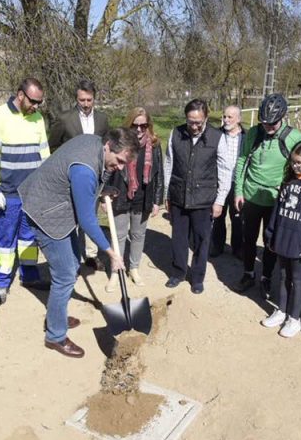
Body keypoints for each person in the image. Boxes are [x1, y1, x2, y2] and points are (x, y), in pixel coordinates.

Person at [19, 129, 137, 358]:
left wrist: (102, 190)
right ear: (108, 146)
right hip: (46, 214)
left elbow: (87, 183)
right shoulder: (84, 169)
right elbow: (87, 221)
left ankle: (57, 316)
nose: (121, 167)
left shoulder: (95, 143)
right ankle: (55, 335)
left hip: (54, 203)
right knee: (65, 275)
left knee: (72, 266)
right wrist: (111, 252)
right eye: (120, 161)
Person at [0, 77, 51, 304]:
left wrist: (47, 185)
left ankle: (30, 276)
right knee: (5, 240)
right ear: (20, 94)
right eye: (33, 101)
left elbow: (44, 153)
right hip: (9, 193)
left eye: (39, 102)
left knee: (29, 238)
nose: (36, 106)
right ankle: (1, 283)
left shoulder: (38, 118)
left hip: (32, 193)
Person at [232, 93, 301, 298]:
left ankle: (266, 277)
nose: (268, 127)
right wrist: (238, 190)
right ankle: (248, 273)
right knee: (249, 238)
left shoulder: (293, 137)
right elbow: (242, 161)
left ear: (283, 117)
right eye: (264, 123)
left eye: (272, 124)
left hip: (277, 199)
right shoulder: (254, 133)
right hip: (252, 196)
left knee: (271, 242)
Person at [163, 99, 230, 294]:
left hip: (204, 198)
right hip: (178, 195)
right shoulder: (176, 133)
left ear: (206, 118)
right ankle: (178, 272)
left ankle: (198, 278)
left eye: (198, 122)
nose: (194, 126)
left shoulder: (218, 137)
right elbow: (169, 163)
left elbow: (225, 171)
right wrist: (167, 193)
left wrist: (219, 201)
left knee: (202, 240)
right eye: (190, 121)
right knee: (178, 238)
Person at [261, 140, 301, 338]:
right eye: (292, 162)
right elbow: (277, 211)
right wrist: (270, 234)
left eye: (299, 162)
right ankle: (281, 311)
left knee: (298, 281)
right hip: (282, 238)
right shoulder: (287, 182)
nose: (295, 165)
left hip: (300, 243)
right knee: (282, 277)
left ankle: (294, 318)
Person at [48, 79, 111, 272]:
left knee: (90, 215)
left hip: (93, 175)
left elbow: (106, 146)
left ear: (94, 99)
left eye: (89, 100)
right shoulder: (65, 118)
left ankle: (91, 255)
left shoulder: (102, 119)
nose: (85, 104)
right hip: (70, 176)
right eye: (81, 100)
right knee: (71, 217)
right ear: (76, 98)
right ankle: (71, 258)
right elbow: (53, 144)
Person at [104, 107, 164, 289]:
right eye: (135, 125)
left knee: (138, 235)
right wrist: (104, 195)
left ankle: (134, 268)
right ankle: (116, 271)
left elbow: (159, 173)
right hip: (120, 195)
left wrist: (157, 200)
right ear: (129, 124)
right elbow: (107, 170)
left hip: (143, 197)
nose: (139, 129)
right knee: (119, 236)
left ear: (148, 126)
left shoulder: (153, 145)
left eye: (143, 125)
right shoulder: (119, 142)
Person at [210, 105, 245, 258]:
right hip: (219, 183)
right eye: (224, 116)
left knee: (237, 217)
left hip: (239, 184)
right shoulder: (216, 134)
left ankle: (237, 248)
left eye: (230, 117)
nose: (226, 120)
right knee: (218, 216)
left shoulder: (247, 136)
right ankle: (218, 245)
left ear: (239, 119)